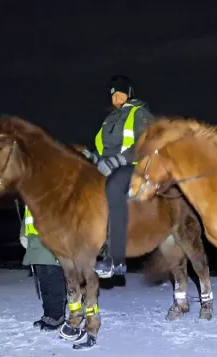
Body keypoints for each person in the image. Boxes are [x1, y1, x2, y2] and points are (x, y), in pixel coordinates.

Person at [81, 75, 156, 278]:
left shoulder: (139, 113)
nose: (116, 99)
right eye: (113, 96)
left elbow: (146, 143)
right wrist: (92, 158)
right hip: (108, 166)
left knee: (113, 189)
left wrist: (117, 161)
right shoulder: (108, 120)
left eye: (120, 95)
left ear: (129, 94)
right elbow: (102, 148)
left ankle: (116, 258)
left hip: (133, 166)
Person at [20, 205, 68, 330]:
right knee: (44, 282)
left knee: (55, 280)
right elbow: (27, 217)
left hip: (52, 242)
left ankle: (57, 316)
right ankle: (48, 315)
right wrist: (23, 234)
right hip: (35, 244)